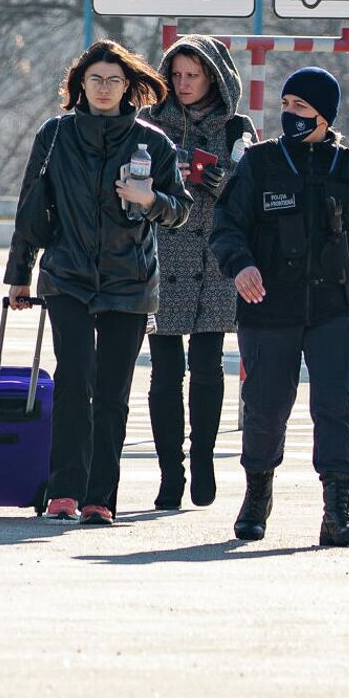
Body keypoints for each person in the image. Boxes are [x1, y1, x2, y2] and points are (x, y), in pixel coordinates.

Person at [5, 40, 192, 526]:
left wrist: (150, 200)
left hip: (130, 281)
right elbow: (31, 206)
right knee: (73, 380)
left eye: (113, 80)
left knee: (112, 392)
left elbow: (180, 211)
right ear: (80, 85)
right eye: (95, 80)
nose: (104, 88)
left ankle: (99, 498)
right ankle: (64, 491)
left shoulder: (153, 143)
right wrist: (19, 275)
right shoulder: (55, 135)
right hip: (67, 275)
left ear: (128, 86)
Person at [208, 67, 349, 546]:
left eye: (302, 107)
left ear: (325, 116)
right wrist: (241, 265)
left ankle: (337, 513)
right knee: (265, 409)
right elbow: (226, 226)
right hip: (269, 308)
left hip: (337, 307)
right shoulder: (259, 163)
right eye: (286, 105)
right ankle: (257, 497)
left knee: (336, 407)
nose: (290, 114)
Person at [140, 35, 251, 510]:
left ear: (214, 78)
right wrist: (168, 180)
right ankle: (171, 471)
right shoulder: (148, 122)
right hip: (162, 259)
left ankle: (203, 458)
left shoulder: (237, 128)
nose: (183, 84)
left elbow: (250, 192)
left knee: (207, 367)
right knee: (164, 374)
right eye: (177, 74)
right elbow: (130, 183)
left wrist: (214, 179)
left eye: (194, 75)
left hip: (215, 263)